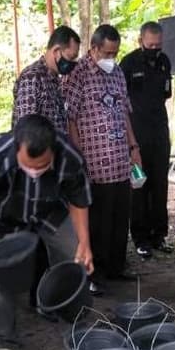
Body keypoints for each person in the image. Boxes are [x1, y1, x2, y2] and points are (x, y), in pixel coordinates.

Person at [0, 115, 93, 350]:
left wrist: (84, 242)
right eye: (28, 166)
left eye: (42, 167)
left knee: (74, 257)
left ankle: (77, 325)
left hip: (50, 212)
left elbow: (79, 199)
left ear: (53, 151)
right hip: (4, 217)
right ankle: (4, 339)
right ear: (16, 149)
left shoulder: (70, 156)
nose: (34, 172)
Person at [63, 24, 142, 294]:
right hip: (94, 163)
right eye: (107, 53)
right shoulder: (77, 74)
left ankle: (116, 268)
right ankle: (93, 274)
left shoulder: (118, 72)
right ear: (93, 48)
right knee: (97, 221)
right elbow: (70, 117)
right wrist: (77, 155)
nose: (112, 58)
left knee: (121, 217)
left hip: (120, 159)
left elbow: (125, 113)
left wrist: (134, 148)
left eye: (115, 53)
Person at [120, 21, 174, 259]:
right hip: (136, 133)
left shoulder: (164, 62)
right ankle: (140, 238)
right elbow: (122, 102)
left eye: (158, 45)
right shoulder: (129, 64)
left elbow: (166, 92)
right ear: (140, 40)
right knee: (139, 186)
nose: (154, 49)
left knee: (160, 184)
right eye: (150, 45)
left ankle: (158, 235)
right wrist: (130, 142)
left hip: (160, 131)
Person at [12, 25, 81, 132]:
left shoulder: (55, 80)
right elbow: (26, 129)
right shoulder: (32, 77)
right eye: (70, 57)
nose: (72, 63)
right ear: (56, 51)